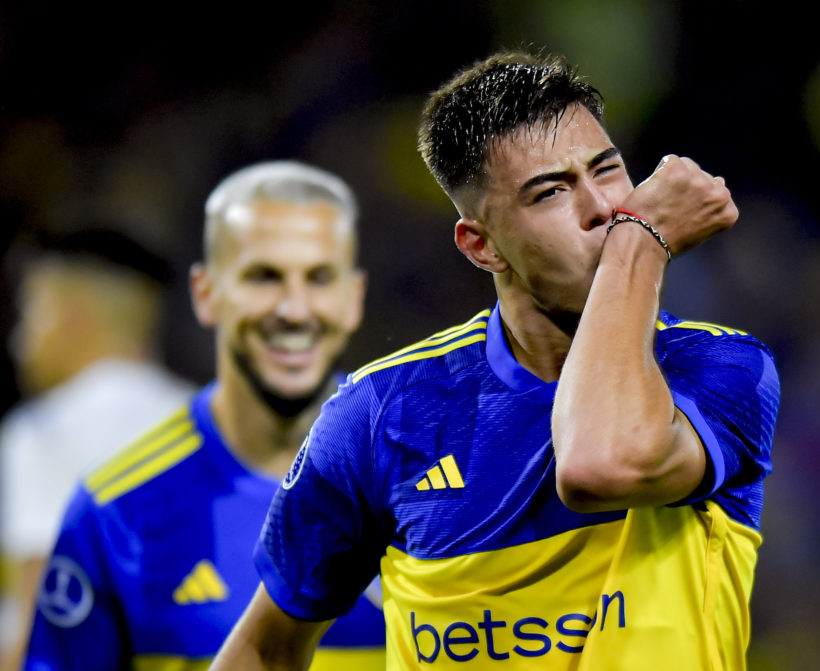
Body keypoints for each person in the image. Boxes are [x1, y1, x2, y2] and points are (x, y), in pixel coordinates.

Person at [214, 51, 780, 670]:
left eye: (609, 170)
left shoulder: (720, 369)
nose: (605, 210)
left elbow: (604, 462)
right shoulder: (379, 414)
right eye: (550, 192)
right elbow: (266, 650)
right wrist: (642, 242)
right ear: (481, 246)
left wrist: (636, 249)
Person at [21, 161, 386, 670]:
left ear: (353, 298)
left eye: (319, 278)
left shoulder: (435, 481)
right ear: (206, 293)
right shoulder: (117, 512)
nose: (296, 309)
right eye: (264, 277)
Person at [0, 227, 195, 668]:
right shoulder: (209, 423)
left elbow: (44, 611)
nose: (18, 339)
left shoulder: (47, 431)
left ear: (73, 315)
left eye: (30, 311)